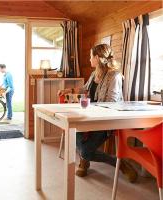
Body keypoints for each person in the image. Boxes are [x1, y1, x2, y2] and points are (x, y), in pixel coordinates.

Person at [58, 44, 137, 182]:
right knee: (74, 133)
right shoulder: (95, 73)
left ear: (96, 57)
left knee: (86, 150)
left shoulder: (114, 75)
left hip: (106, 120)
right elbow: (85, 89)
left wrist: (91, 107)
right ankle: (85, 159)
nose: (89, 60)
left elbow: (111, 102)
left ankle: (120, 164)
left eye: (90, 57)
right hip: (90, 116)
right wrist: (69, 90)